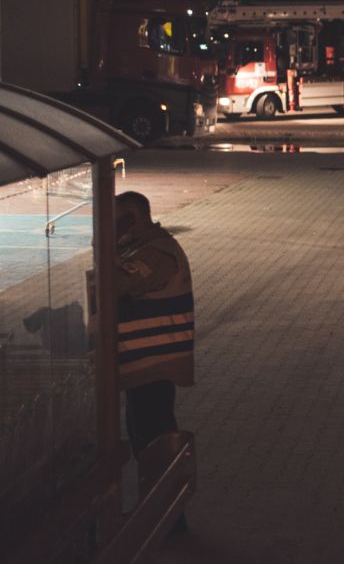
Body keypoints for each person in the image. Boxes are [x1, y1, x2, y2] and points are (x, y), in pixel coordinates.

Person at [113, 191, 195, 532]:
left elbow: (118, 284)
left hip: (155, 361)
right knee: (141, 435)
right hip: (142, 362)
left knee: (153, 436)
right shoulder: (141, 247)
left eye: (118, 220)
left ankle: (168, 517)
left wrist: (104, 246)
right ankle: (157, 509)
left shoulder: (156, 252)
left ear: (133, 218)